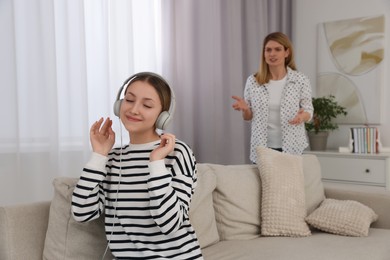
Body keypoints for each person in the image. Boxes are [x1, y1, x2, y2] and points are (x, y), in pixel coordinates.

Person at [71, 72, 203, 259]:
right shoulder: (113, 158)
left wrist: (156, 163)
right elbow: (81, 212)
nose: (133, 110)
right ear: (119, 105)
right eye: (129, 100)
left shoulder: (177, 152)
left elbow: (170, 224)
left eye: (147, 105)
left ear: (163, 116)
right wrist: (99, 156)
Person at [232, 32, 313, 163]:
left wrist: (302, 117)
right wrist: (246, 109)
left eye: (277, 49)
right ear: (264, 53)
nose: (272, 54)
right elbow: (248, 117)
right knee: (265, 184)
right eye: (268, 50)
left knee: (289, 183)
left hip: (292, 146)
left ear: (287, 53)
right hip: (262, 147)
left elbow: (309, 110)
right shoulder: (253, 81)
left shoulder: (300, 80)